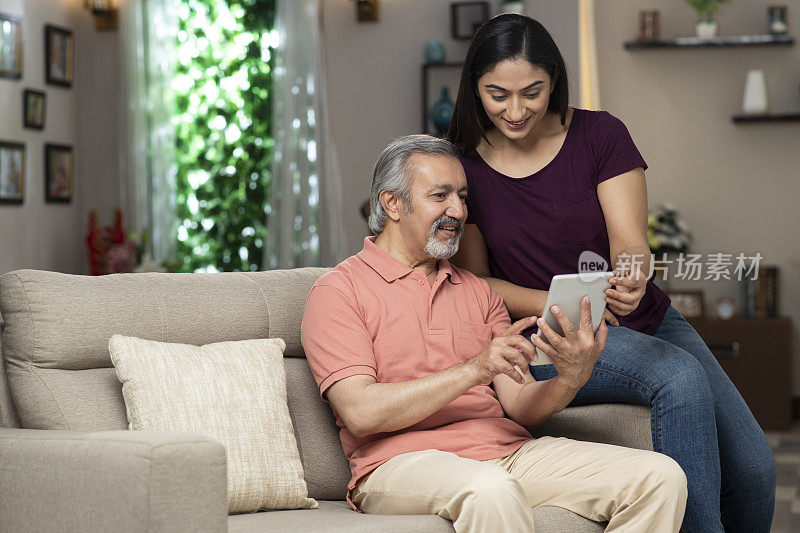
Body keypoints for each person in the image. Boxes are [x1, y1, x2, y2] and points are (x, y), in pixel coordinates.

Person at [445, 13, 775, 533]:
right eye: (497, 94)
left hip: (643, 319)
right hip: (549, 338)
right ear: (474, 89)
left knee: (755, 468)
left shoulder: (601, 134)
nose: (515, 110)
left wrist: (633, 274)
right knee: (678, 377)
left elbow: (630, 243)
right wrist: (553, 304)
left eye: (531, 92)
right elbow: (477, 284)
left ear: (554, 79)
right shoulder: (464, 165)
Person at [301, 135, 687, 532]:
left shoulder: (478, 291)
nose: (459, 211)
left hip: (506, 454)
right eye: (441, 195)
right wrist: (474, 369)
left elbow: (519, 404)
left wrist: (570, 378)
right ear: (392, 203)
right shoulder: (339, 291)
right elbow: (361, 413)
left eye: (463, 197)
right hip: (397, 464)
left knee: (660, 476)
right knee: (491, 489)